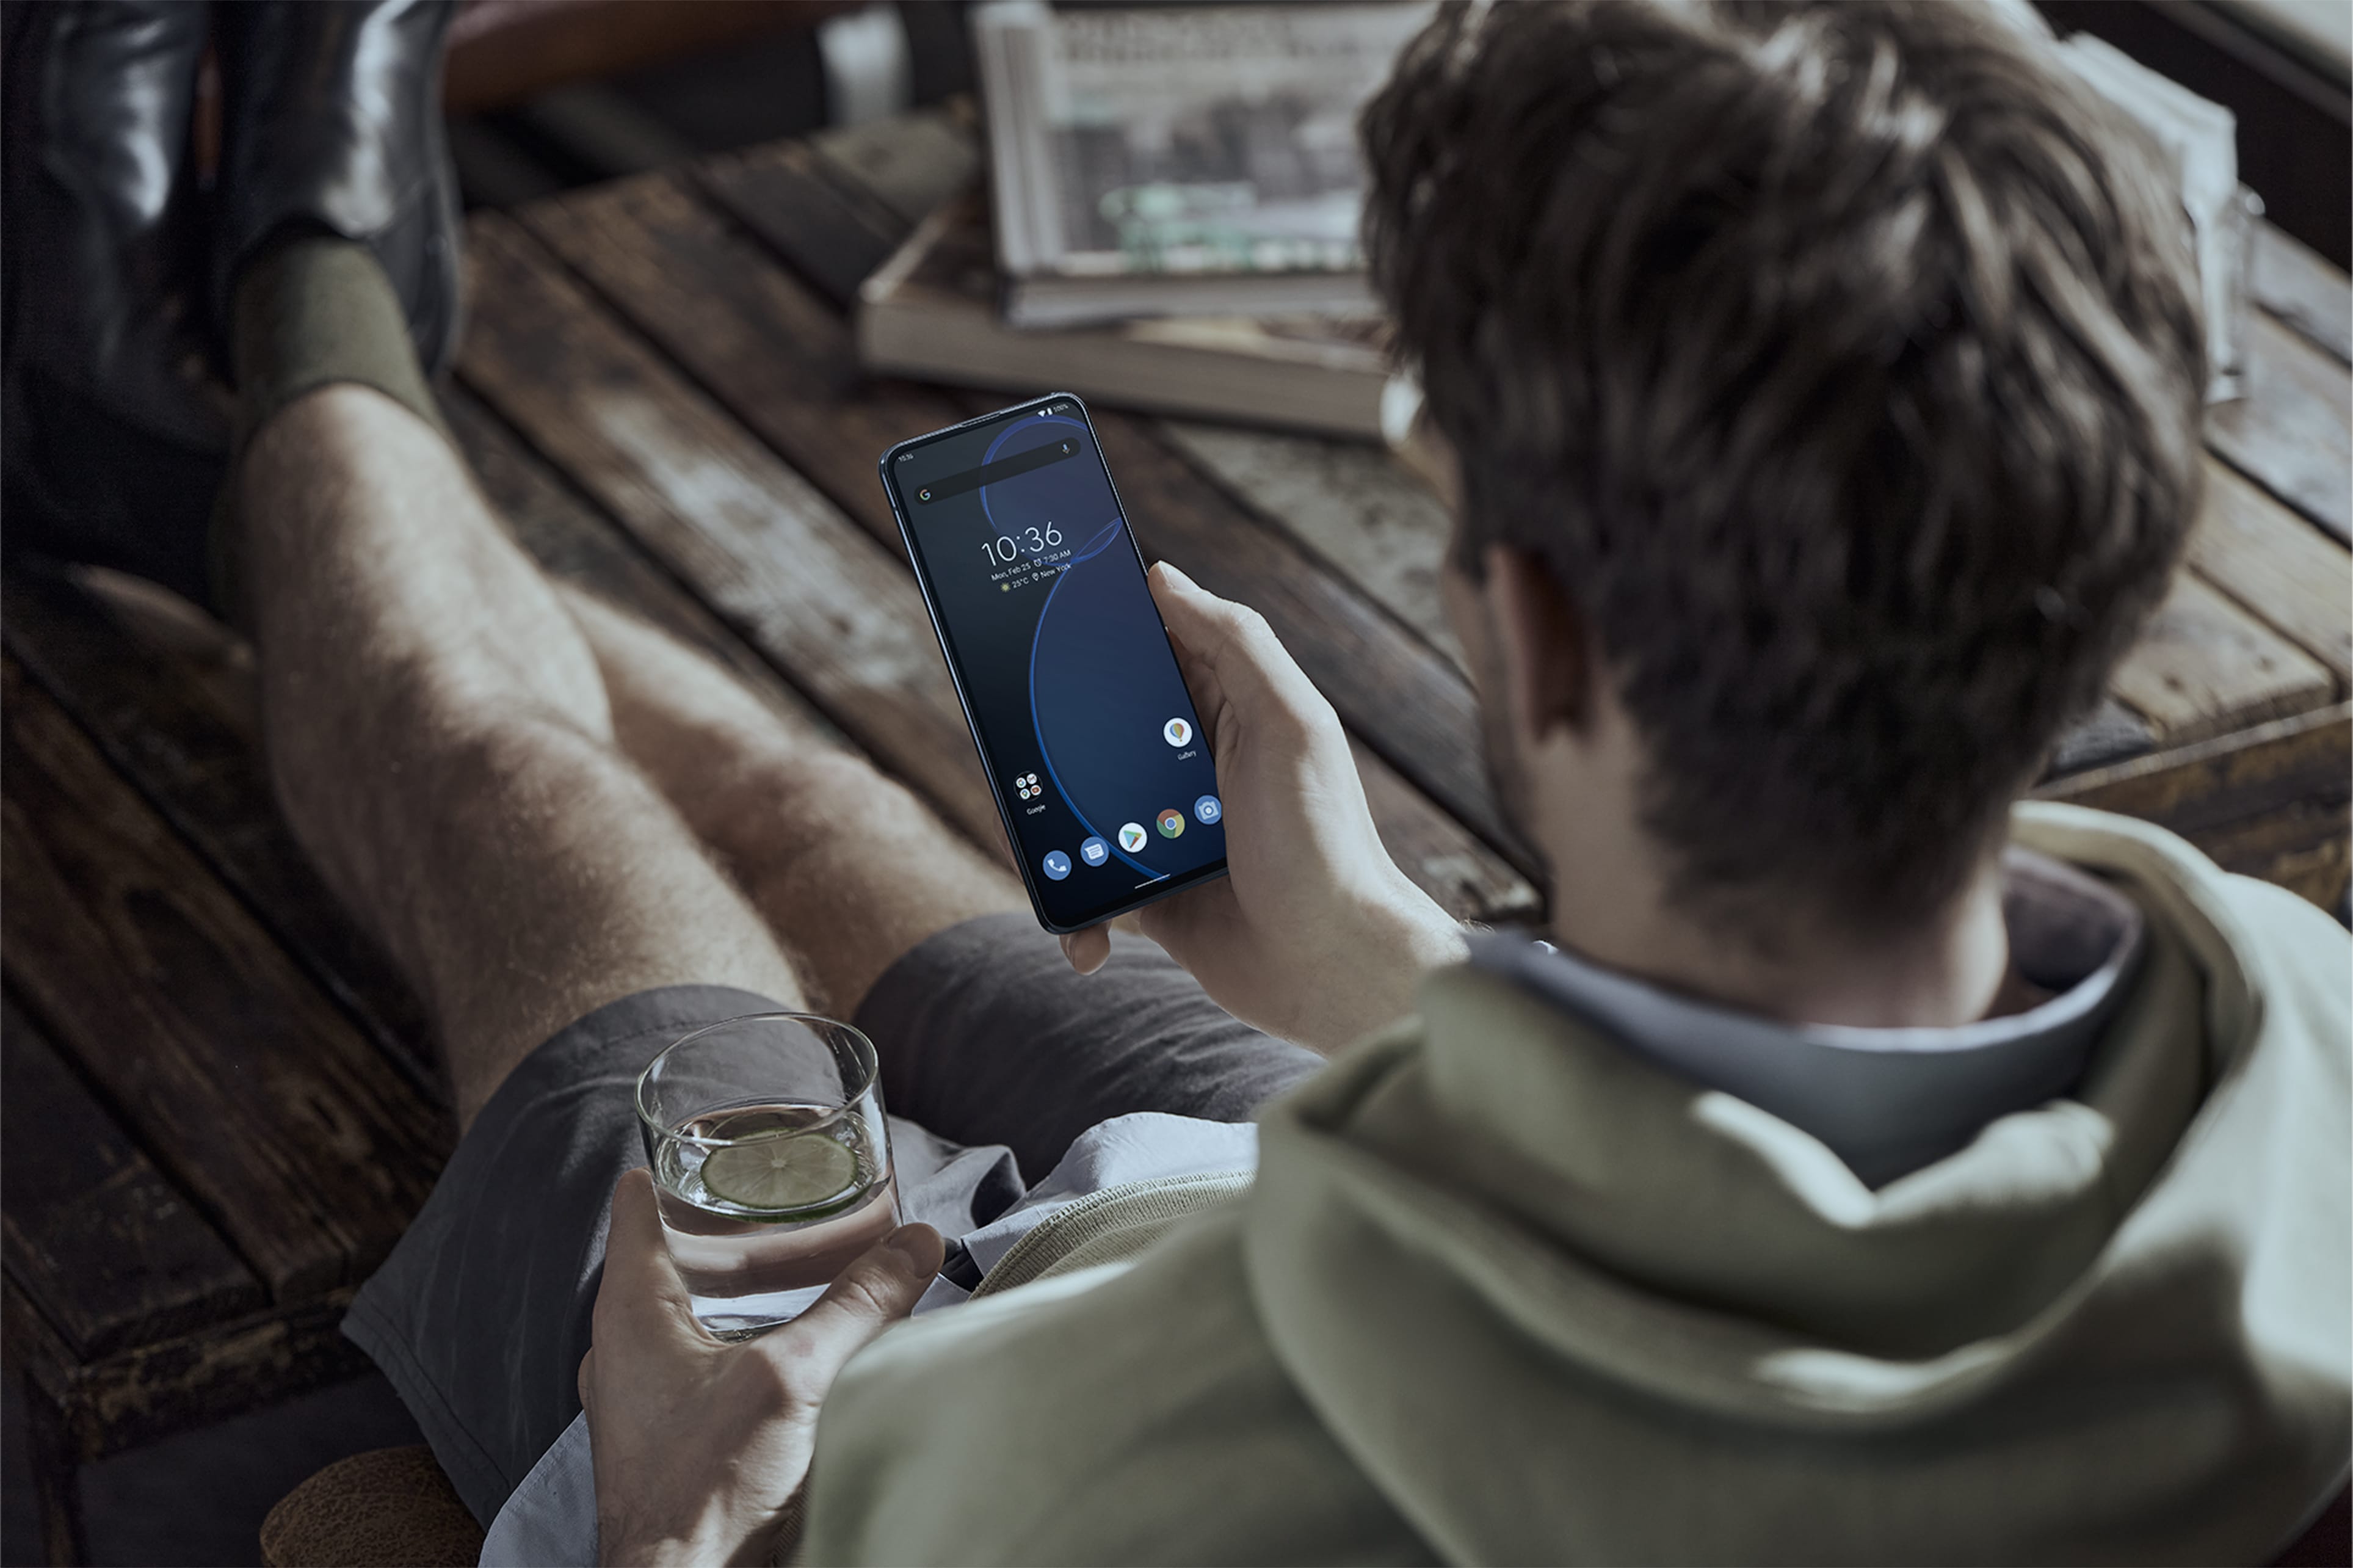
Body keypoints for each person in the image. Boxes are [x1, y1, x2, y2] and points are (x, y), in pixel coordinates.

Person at [9, 1, 2345, 1564]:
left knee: (496, 758)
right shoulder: (2303, 1042)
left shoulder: (1055, 1482)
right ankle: (262, 431)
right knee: (790, 794)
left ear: (1524, 634)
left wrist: (672, 1536)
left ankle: (296, 326)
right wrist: (1401, 972)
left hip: (886, 1364)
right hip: (1386, 1164)